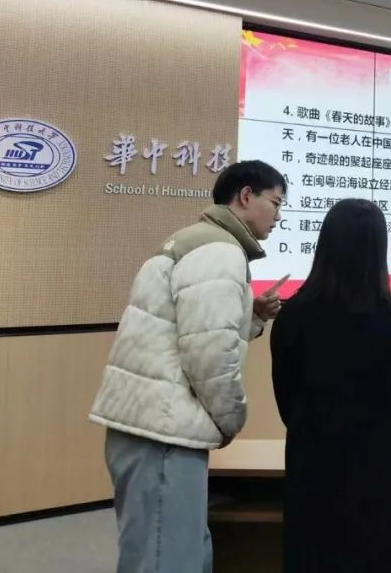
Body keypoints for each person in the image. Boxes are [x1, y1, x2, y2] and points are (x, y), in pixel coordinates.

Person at [90, 160, 288, 573]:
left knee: (160, 547)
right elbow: (209, 357)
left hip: (151, 425)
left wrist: (251, 318)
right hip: (164, 432)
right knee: (167, 556)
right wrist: (231, 420)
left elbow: (193, 332)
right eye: (275, 203)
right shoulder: (220, 252)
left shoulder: (194, 241)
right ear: (246, 196)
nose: (279, 216)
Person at [270, 198, 391, 573]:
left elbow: (284, 393)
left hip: (312, 463)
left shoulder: (293, 315)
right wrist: (384, 427)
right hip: (378, 465)